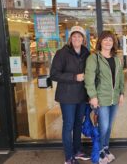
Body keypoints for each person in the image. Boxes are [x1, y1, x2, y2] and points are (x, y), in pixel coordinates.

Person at [50, 26, 90, 164]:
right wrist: (74, 77)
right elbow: (54, 74)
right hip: (67, 97)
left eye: (79, 36)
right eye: (74, 36)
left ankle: (77, 150)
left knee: (78, 124)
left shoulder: (86, 53)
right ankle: (68, 157)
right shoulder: (62, 53)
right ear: (70, 38)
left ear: (83, 39)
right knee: (68, 125)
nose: (77, 39)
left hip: (81, 95)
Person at [85, 31, 124, 164]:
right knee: (104, 126)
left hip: (114, 98)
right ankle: (100, 151)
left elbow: (120, 78)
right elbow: (89, 79)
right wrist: (93, 97)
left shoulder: (116, 58)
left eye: (111, 40)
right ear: (100, 41)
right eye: (105, 40)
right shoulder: (94, 58)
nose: (108, 42)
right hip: (101, 98)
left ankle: (106, 149)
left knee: (109, 126)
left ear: (114, 43)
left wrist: (121, 93)